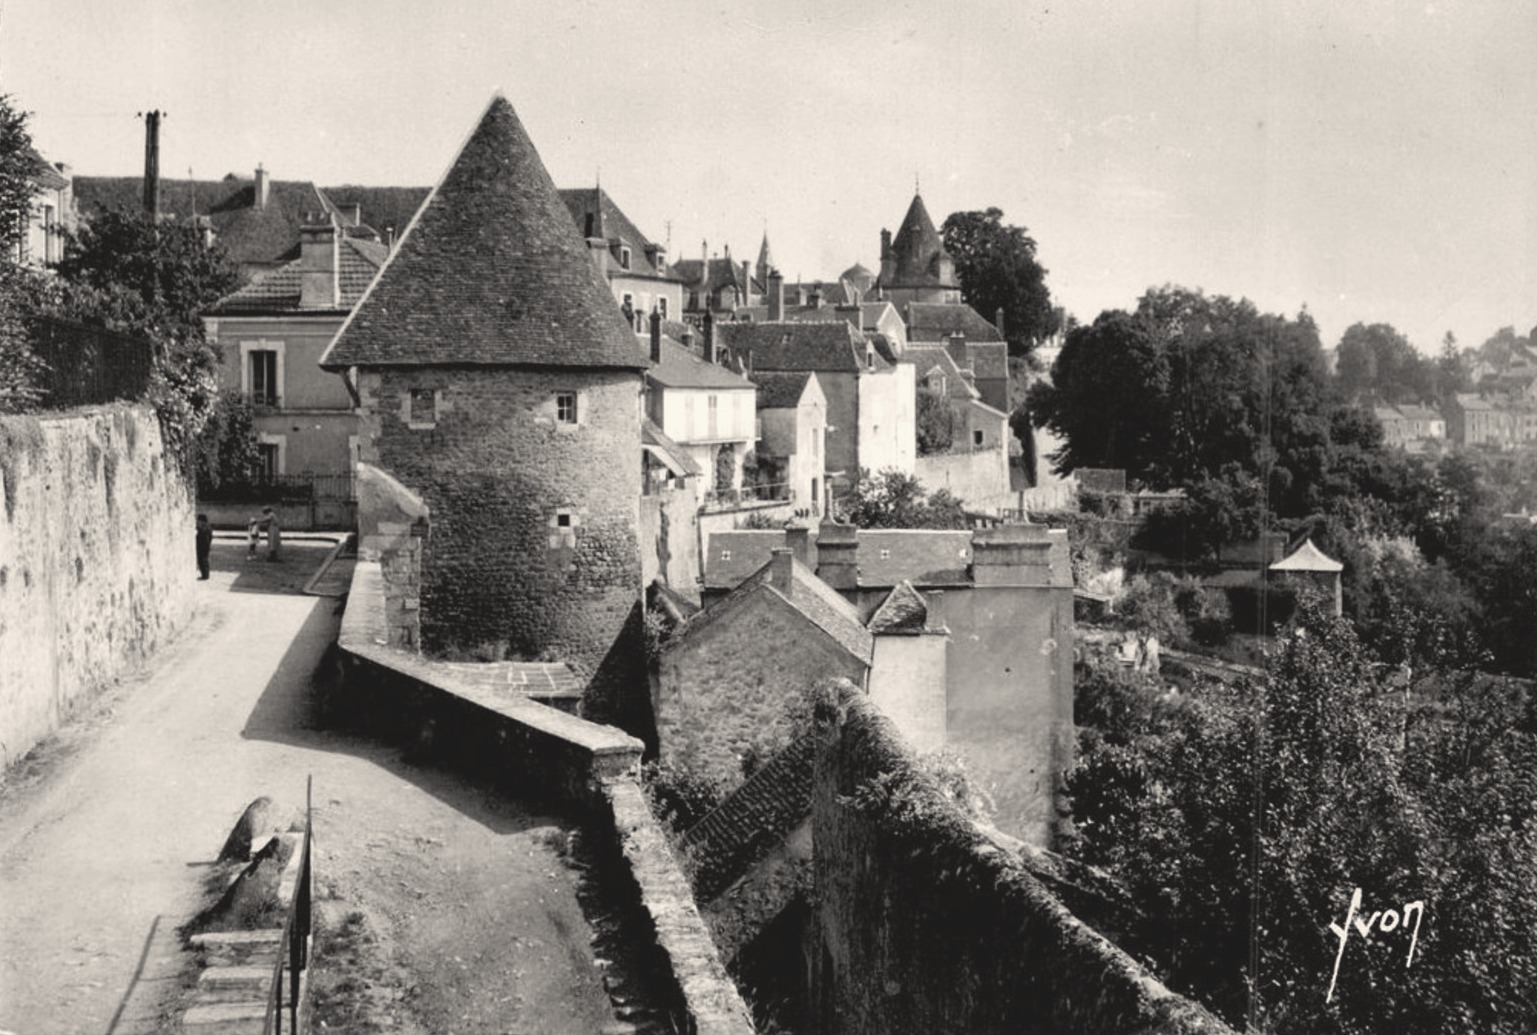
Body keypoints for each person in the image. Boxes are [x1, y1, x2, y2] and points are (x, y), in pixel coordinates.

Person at [195, 514, 213, 580]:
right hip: (205, 546)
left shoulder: (204, 527)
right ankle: (205, 575)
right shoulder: (208, 526)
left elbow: (203, 534)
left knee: (203, 561)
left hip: (203, 547)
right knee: (204, 561)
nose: (197, 521)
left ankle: (205, 575)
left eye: (198, 520)